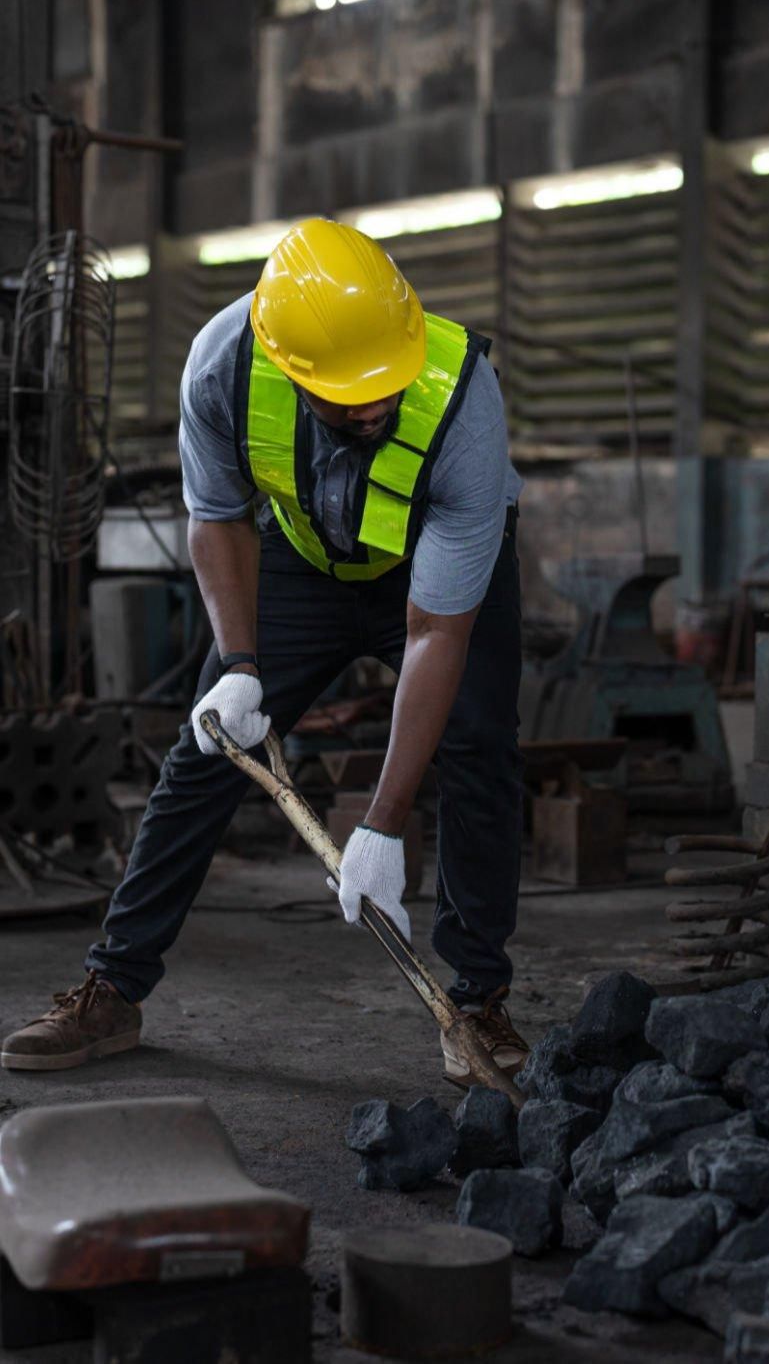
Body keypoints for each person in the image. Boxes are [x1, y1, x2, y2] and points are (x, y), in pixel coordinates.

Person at [1, 218, 527, 1085]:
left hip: (429, 566)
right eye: (346, 395)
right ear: (291, 367)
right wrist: (240, 666)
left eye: (383, 385)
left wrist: (384, 822)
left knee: (478, 750)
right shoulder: (222, 367)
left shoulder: (463, 399)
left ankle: (475, 999)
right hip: (304, 561)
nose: (373, 406)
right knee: (208, 749)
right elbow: (216, 520)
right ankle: (113, 985)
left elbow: (435, 631)